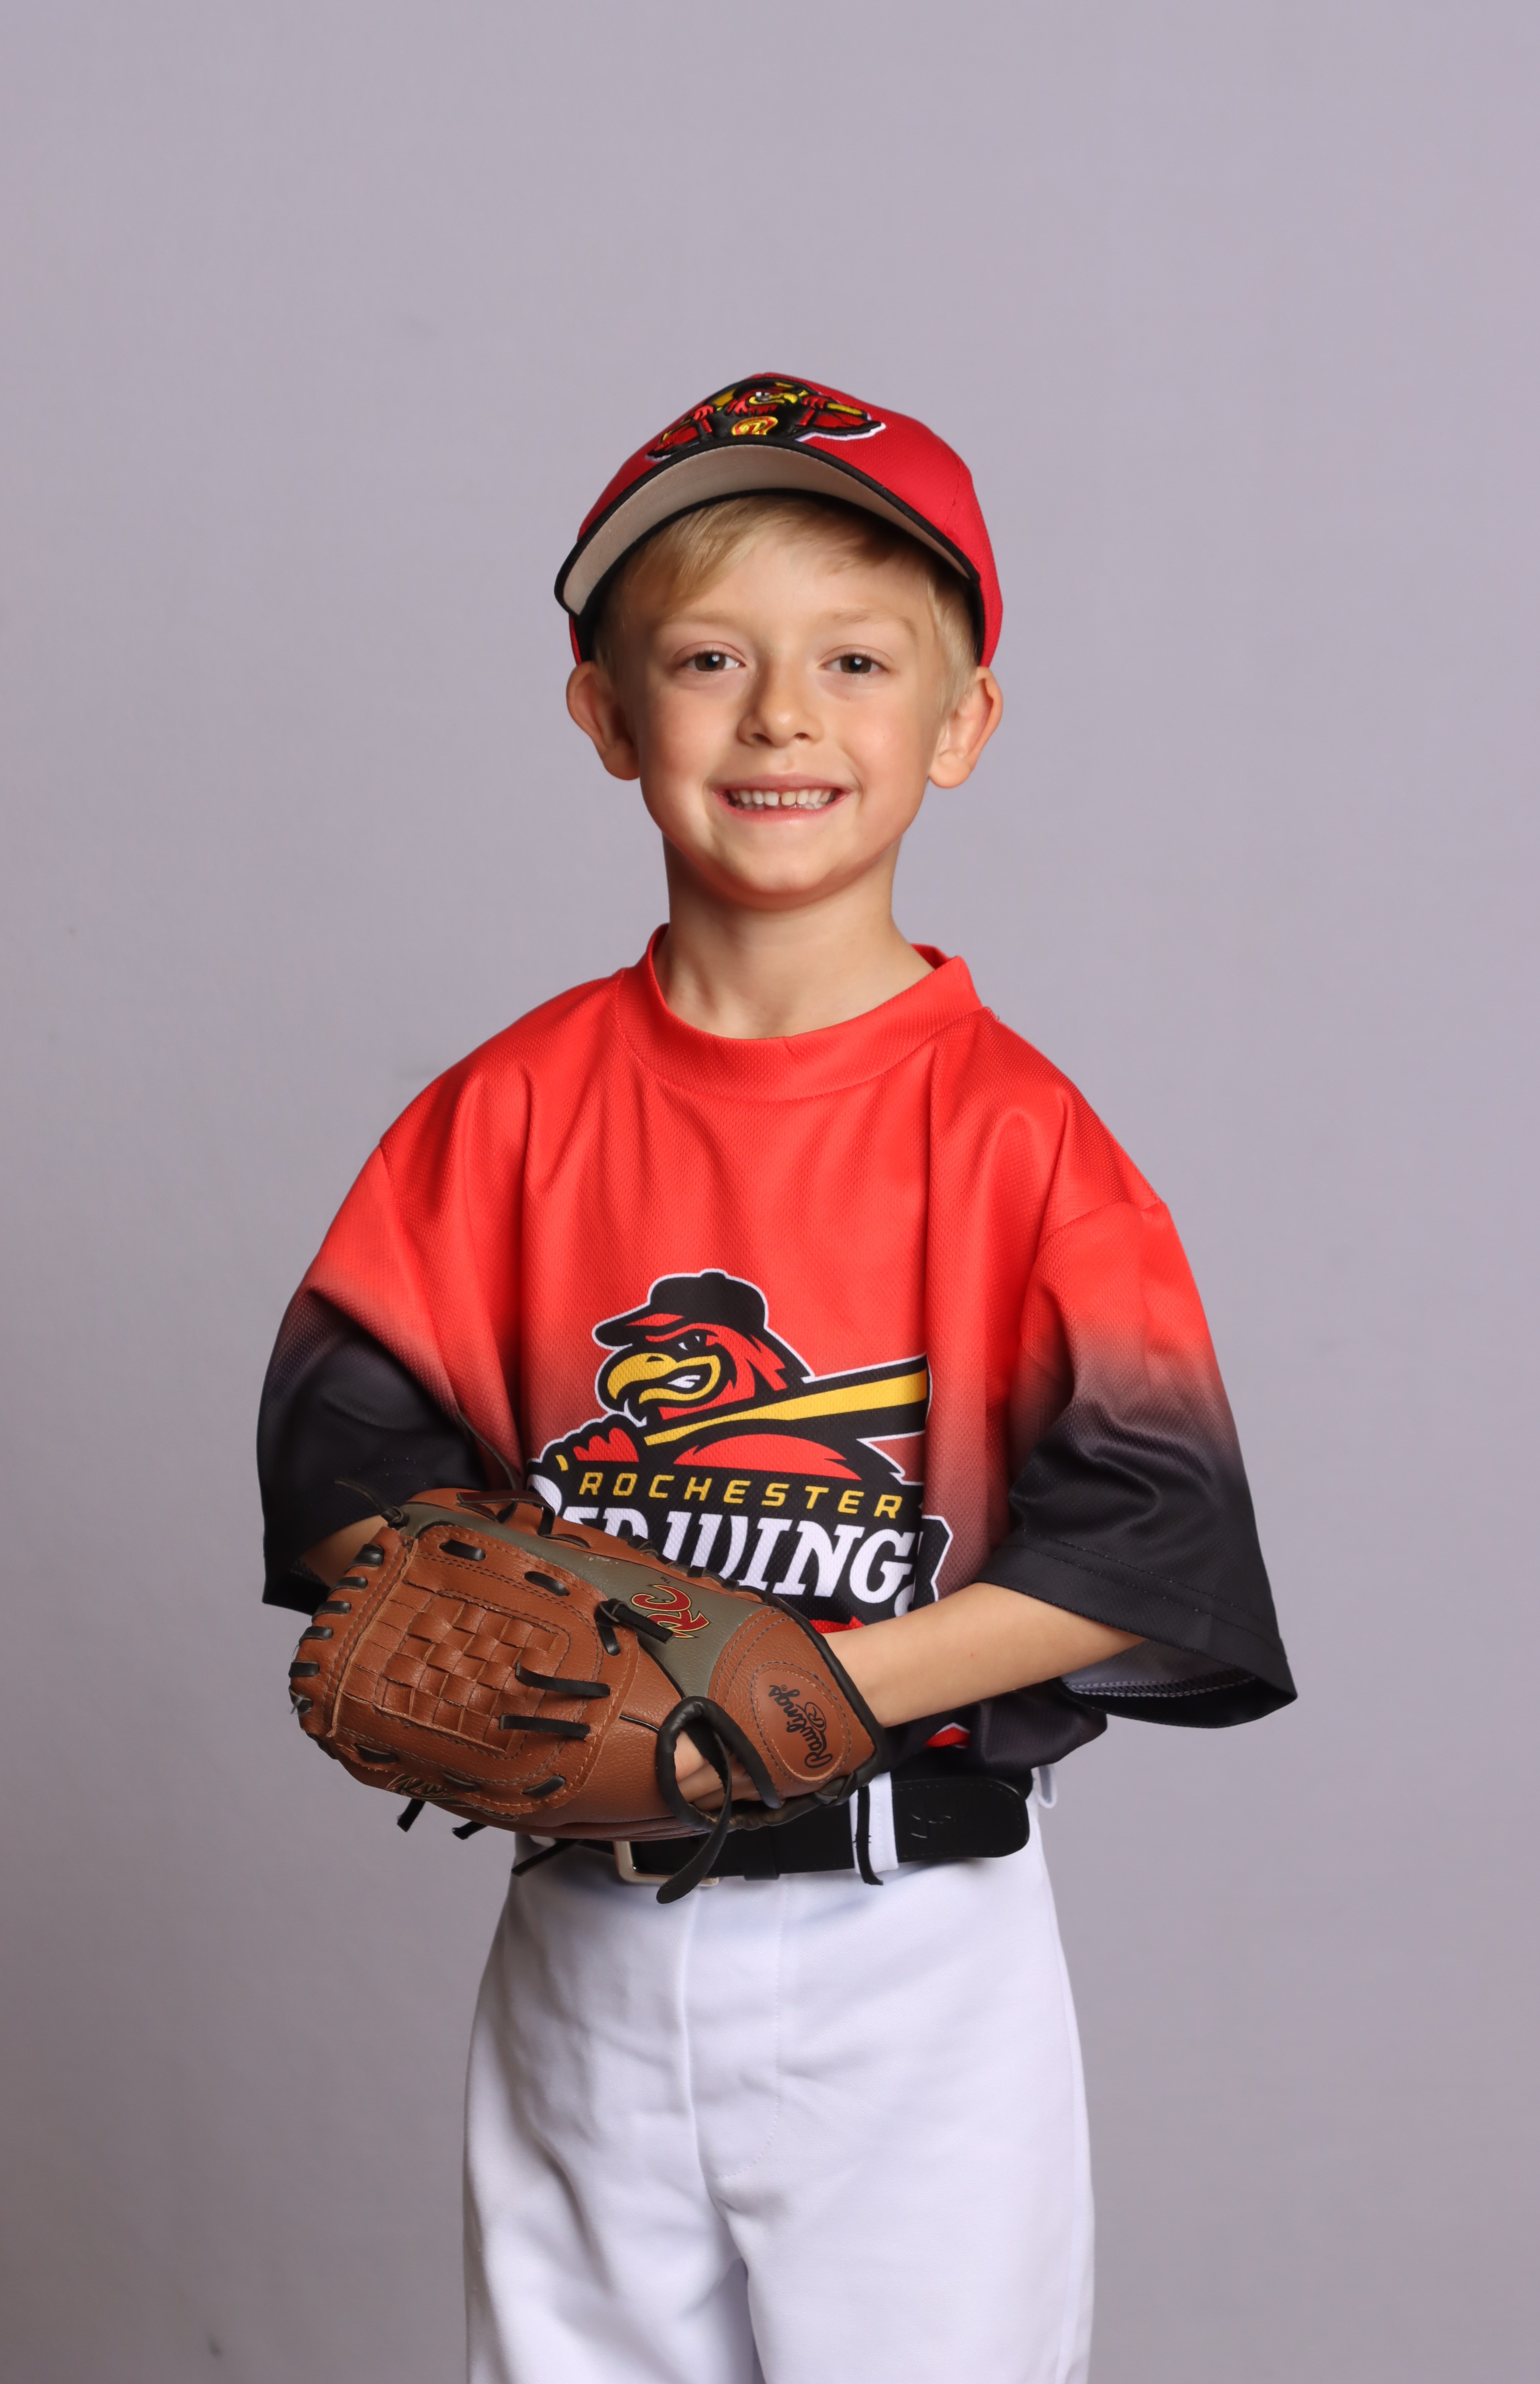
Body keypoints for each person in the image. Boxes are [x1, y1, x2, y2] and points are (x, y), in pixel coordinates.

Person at [258, 372, 1295, 2384]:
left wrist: (787, 1692)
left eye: (856, 660)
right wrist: (537, 1654)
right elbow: (348, 1471)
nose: (781, 717)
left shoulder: (1019, 1138)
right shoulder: (498, 1116)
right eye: (708, 658)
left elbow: (1145, 1539)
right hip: (580, 1932)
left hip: (904, 1950)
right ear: (603, 712)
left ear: (962, 724)